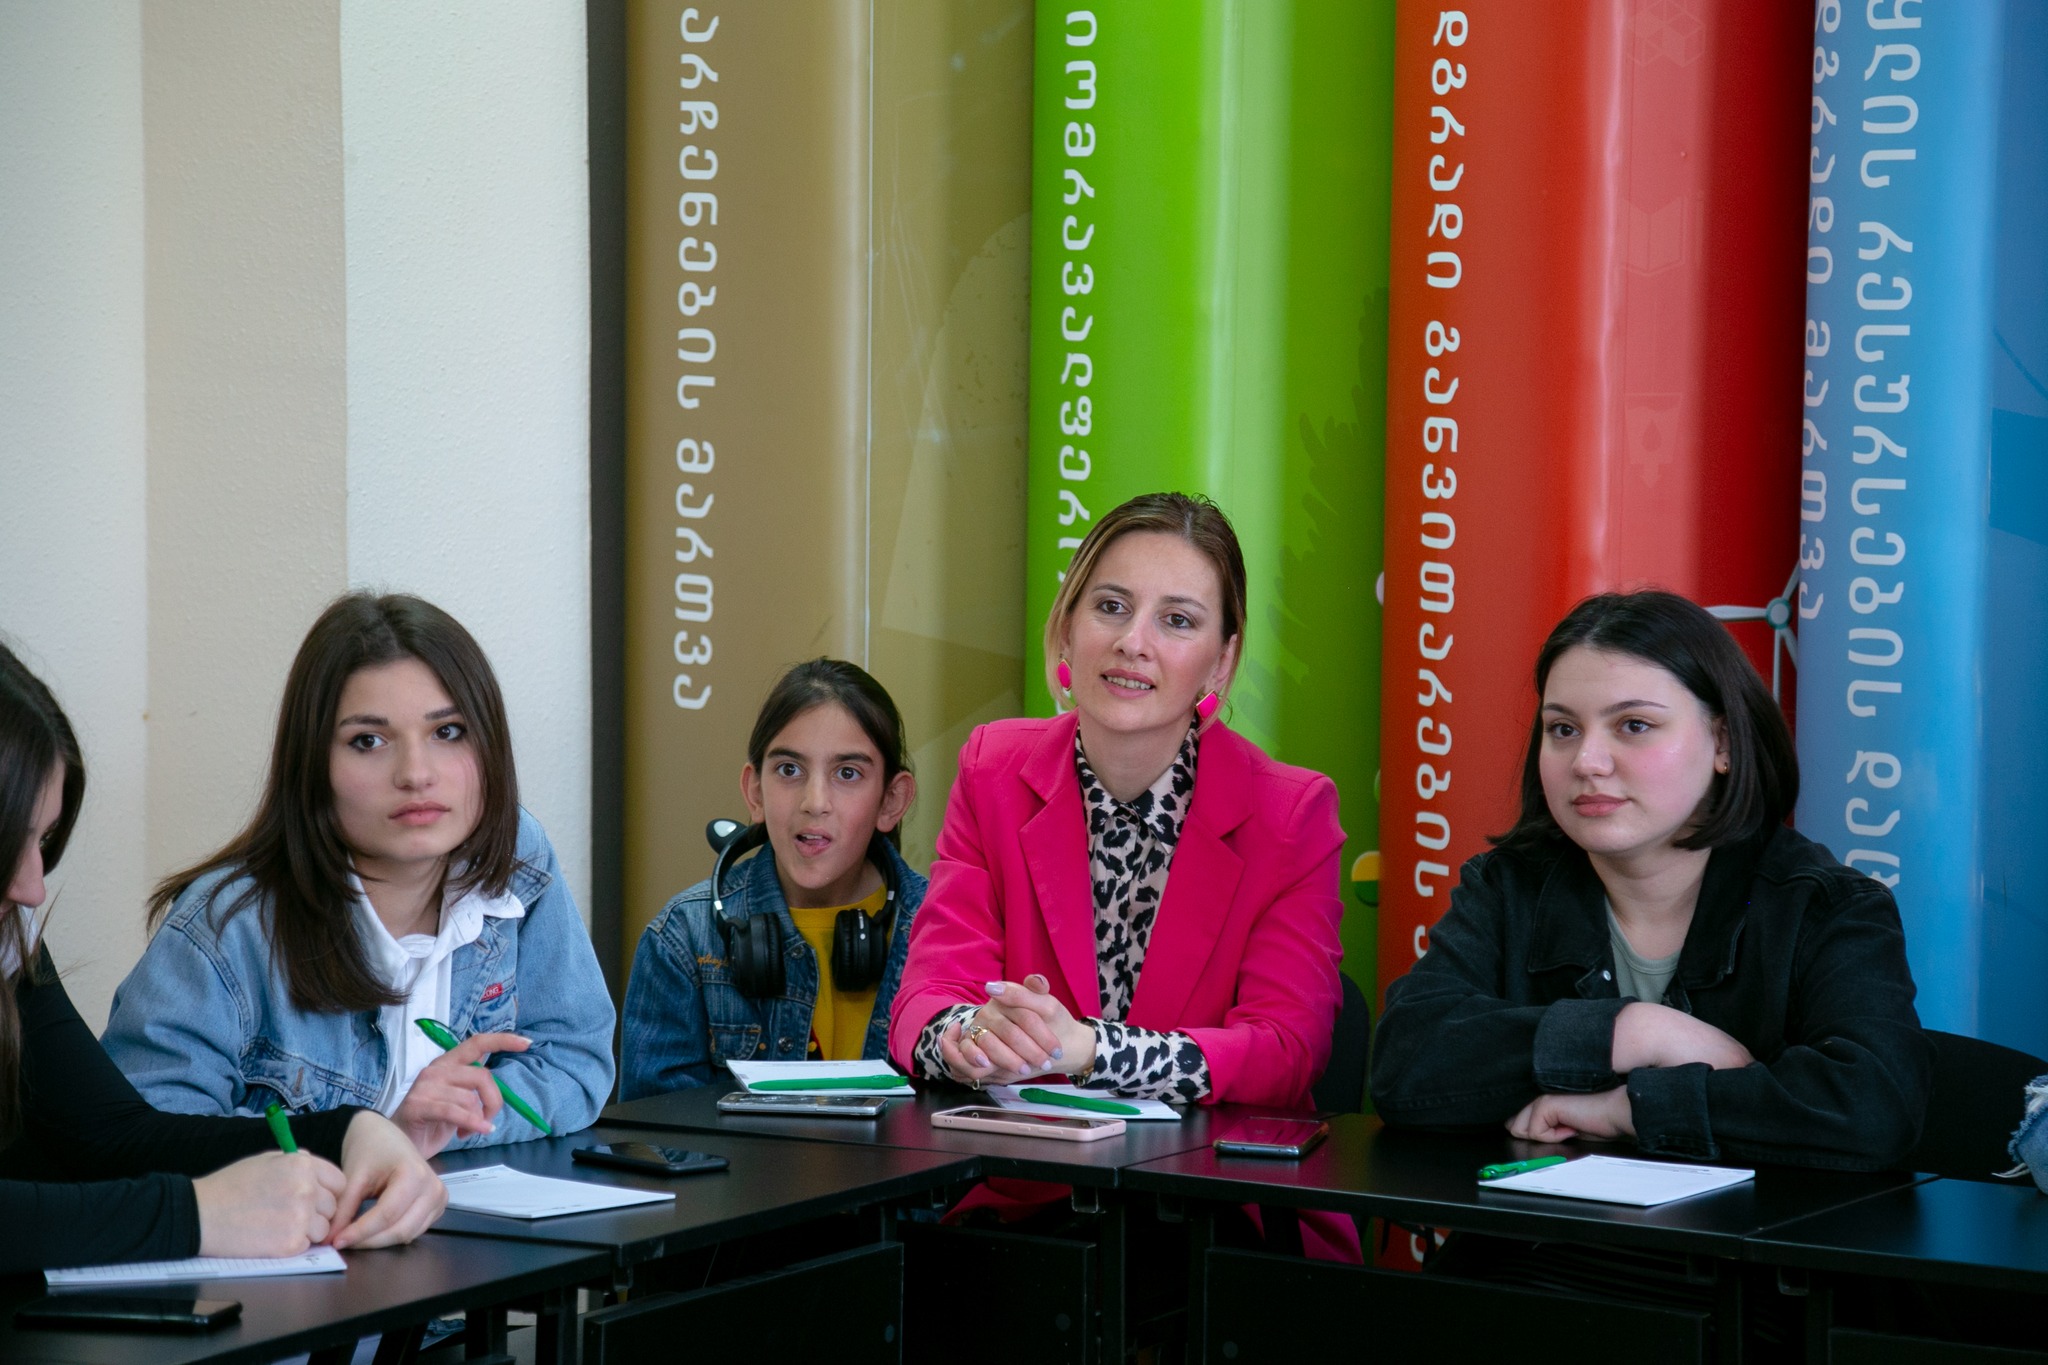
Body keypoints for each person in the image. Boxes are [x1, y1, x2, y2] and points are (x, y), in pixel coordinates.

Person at [1371, 589, 1931, 1168]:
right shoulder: (1507, 887)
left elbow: (1873, 1105)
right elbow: (1403, 1063)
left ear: (1723, 743)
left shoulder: (1827, 906)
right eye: (1562, 729)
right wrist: (1633, 1031)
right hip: (1548, 1227)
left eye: (1634, 725)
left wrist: (1630, 1109)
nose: (1587, 762)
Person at [890, 491, 1346, 1140]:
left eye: (1177, 621)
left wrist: (1092, 1050)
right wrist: (968, 1036)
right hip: (1023, 1175)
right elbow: (925, 998)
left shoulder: (1291, 815)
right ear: (1067, 629)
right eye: (1111, 607)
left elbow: (1285, 1049)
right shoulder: (993, 770)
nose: (1133, 643)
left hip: (1202, 1183)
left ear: (1221, 662)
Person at [103, 593, 613, 1155]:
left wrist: (447, 1124)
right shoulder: (225, 927)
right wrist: (373, 1138)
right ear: (313, 764)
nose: (416, 774)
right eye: (368, 741)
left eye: (448, 732)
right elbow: (145, 1141)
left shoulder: (515, 854)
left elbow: (575, 1061)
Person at [0, 639, 444, 1272]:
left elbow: (110, 1136)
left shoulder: (9, 933)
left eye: (43, 840)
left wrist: (348, 1131)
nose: (32, 888)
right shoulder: (228, 916)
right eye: (7, 842)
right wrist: (196, 1214)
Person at [620, 658, 924, 1099]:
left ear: (891, 800)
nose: (814, 802)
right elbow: (659, 1131)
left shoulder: (945, 930)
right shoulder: (683, 939)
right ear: (755, 792)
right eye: (789, 770)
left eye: (848, 773)